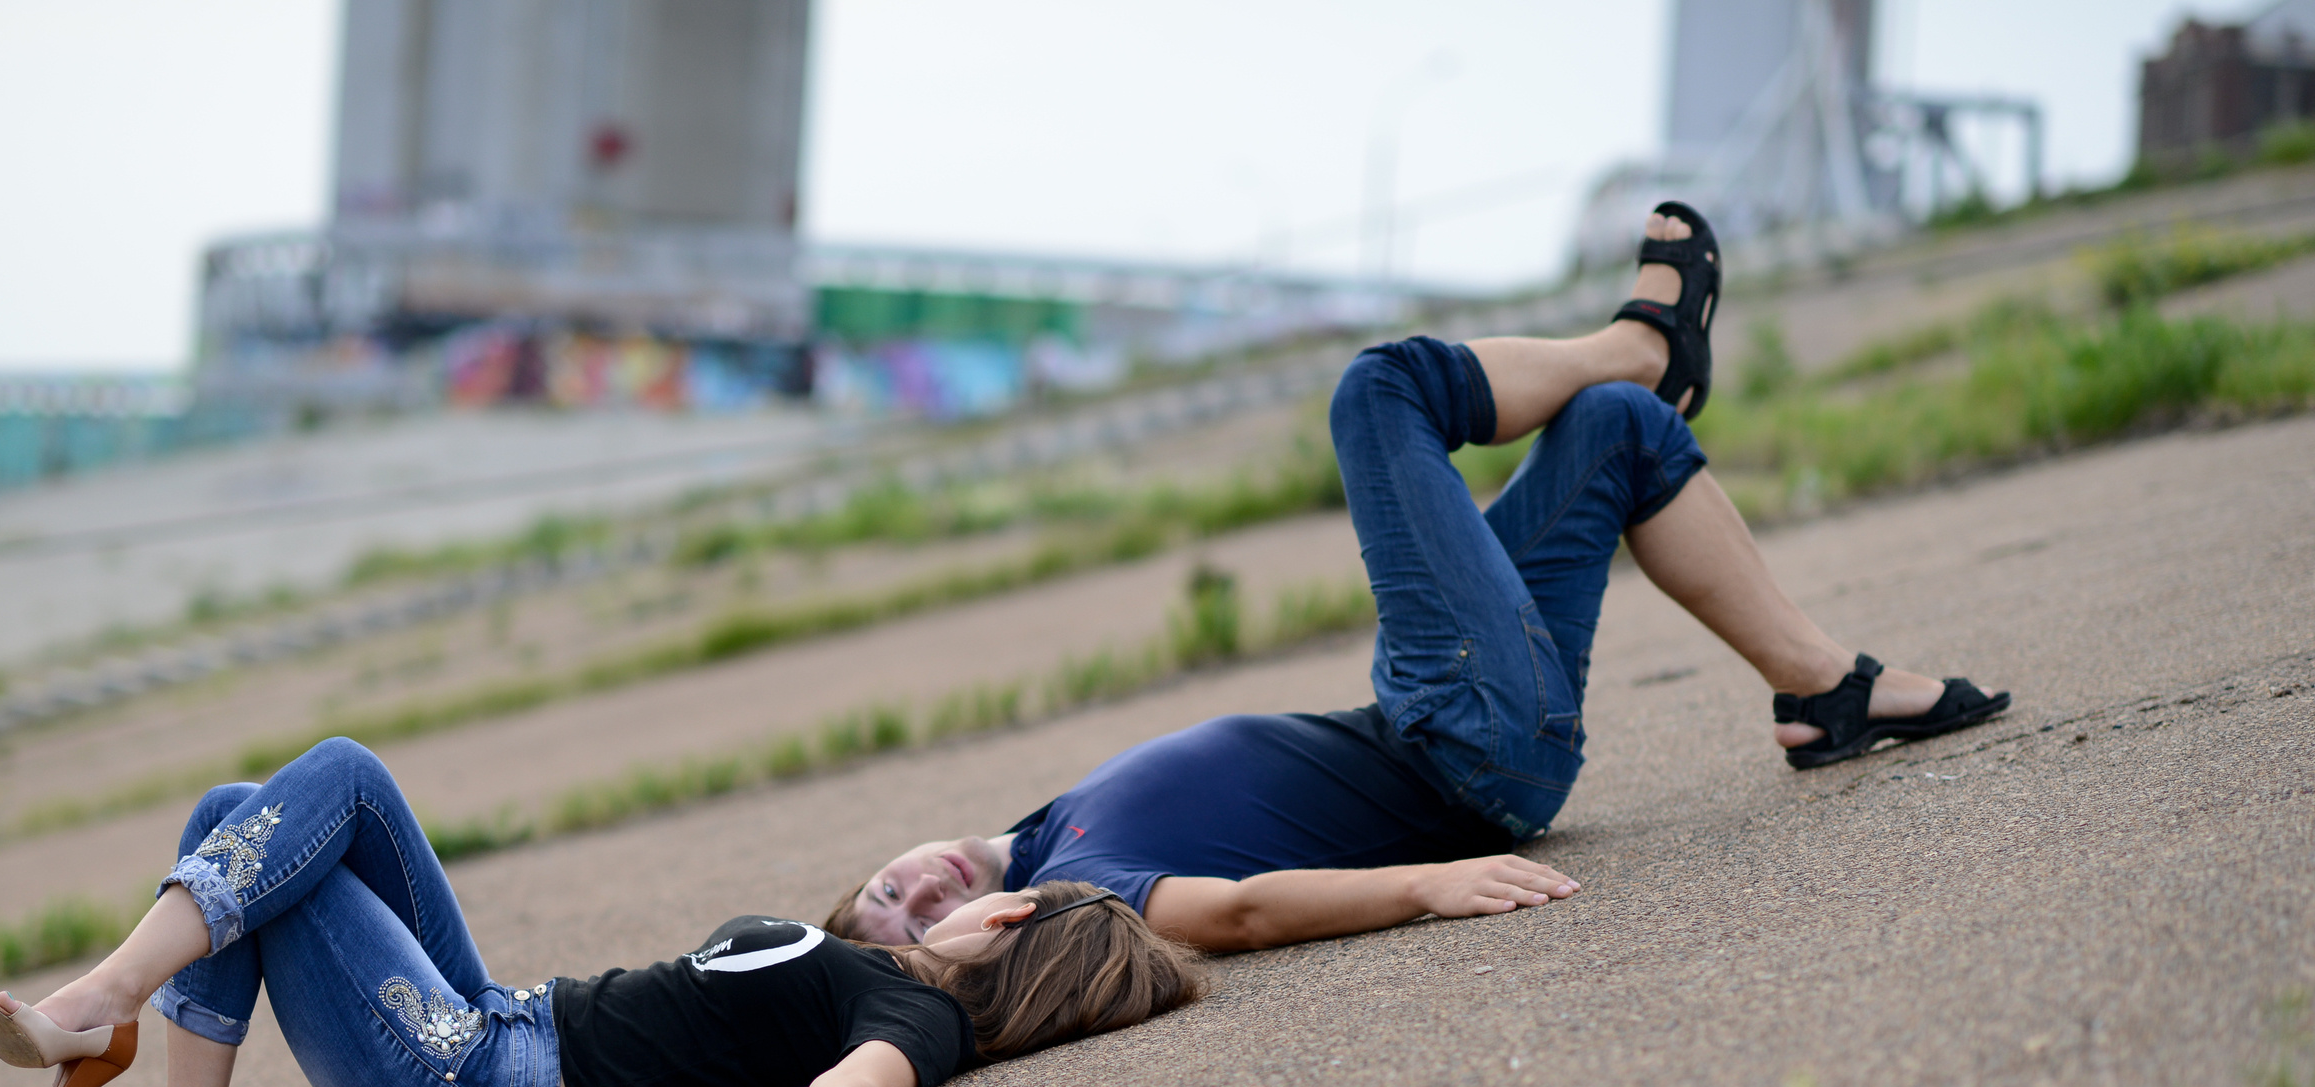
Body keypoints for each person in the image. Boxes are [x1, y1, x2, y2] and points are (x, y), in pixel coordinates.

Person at [828, 205, 2007, 954]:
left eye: (888, 884)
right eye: (918, 922)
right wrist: (1426, 889)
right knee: (1378, 390)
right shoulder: (1080, 888)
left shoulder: (1044, 833)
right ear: (965, 939)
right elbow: (1233, 915)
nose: (919, 888)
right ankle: (1648, 345)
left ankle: (1821, 688)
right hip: (1455, 734)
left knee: (1612, 432)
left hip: (1450, 719)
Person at [0, 738, 1201, 1087]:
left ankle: (106, 1004)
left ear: (1008, 929)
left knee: (333, 777)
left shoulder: (917, 1016)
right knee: (246, 808)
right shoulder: (887, 987)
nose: (964, 894)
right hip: (494, 1026)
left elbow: (882, 1070)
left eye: (996, 898)